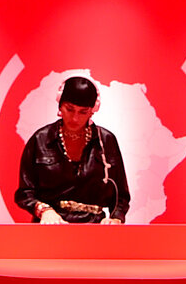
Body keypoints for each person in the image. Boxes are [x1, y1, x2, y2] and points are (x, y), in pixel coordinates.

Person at [13, 76, 131, 224]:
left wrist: (115, 219)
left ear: (93, 110)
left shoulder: (106, 141)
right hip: (50, 229)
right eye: (70, 109)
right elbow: (25, 193)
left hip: (94, 231)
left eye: (83, 112)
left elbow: (121, 195)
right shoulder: (40, 139)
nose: (75, 118)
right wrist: (44, 211)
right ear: (60, 105)